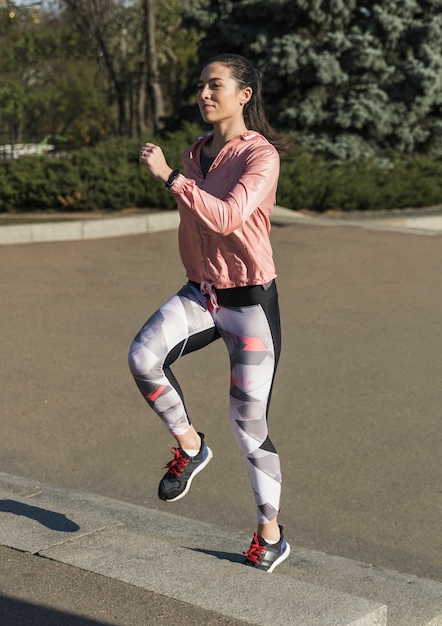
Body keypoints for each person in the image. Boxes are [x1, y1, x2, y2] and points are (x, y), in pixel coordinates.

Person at [128, 53, 290, 573]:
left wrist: (170, 178)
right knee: (142, 356)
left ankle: (270, 535)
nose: (204, 94)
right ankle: (191, 446)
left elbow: (227, 218)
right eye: (200, 86)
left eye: (214, 86)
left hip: (250, 305)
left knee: (248, 424)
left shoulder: (259, 157)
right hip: (203, 293)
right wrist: (181, 171)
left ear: (243, 95)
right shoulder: (196, 152)